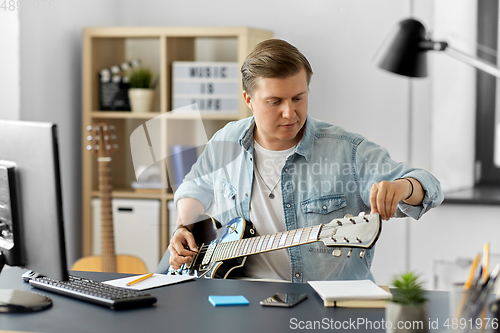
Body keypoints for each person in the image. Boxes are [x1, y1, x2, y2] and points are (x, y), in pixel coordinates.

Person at [159, 39, 443, 283]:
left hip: (322, 307)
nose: (289, 113)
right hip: (238, 301)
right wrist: (184, 227)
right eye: (275, 101)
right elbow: (193, 187)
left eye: (298, 98)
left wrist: (404, 187)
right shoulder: (227, 139)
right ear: (249, 99)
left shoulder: (347, 150)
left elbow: (429, 186)